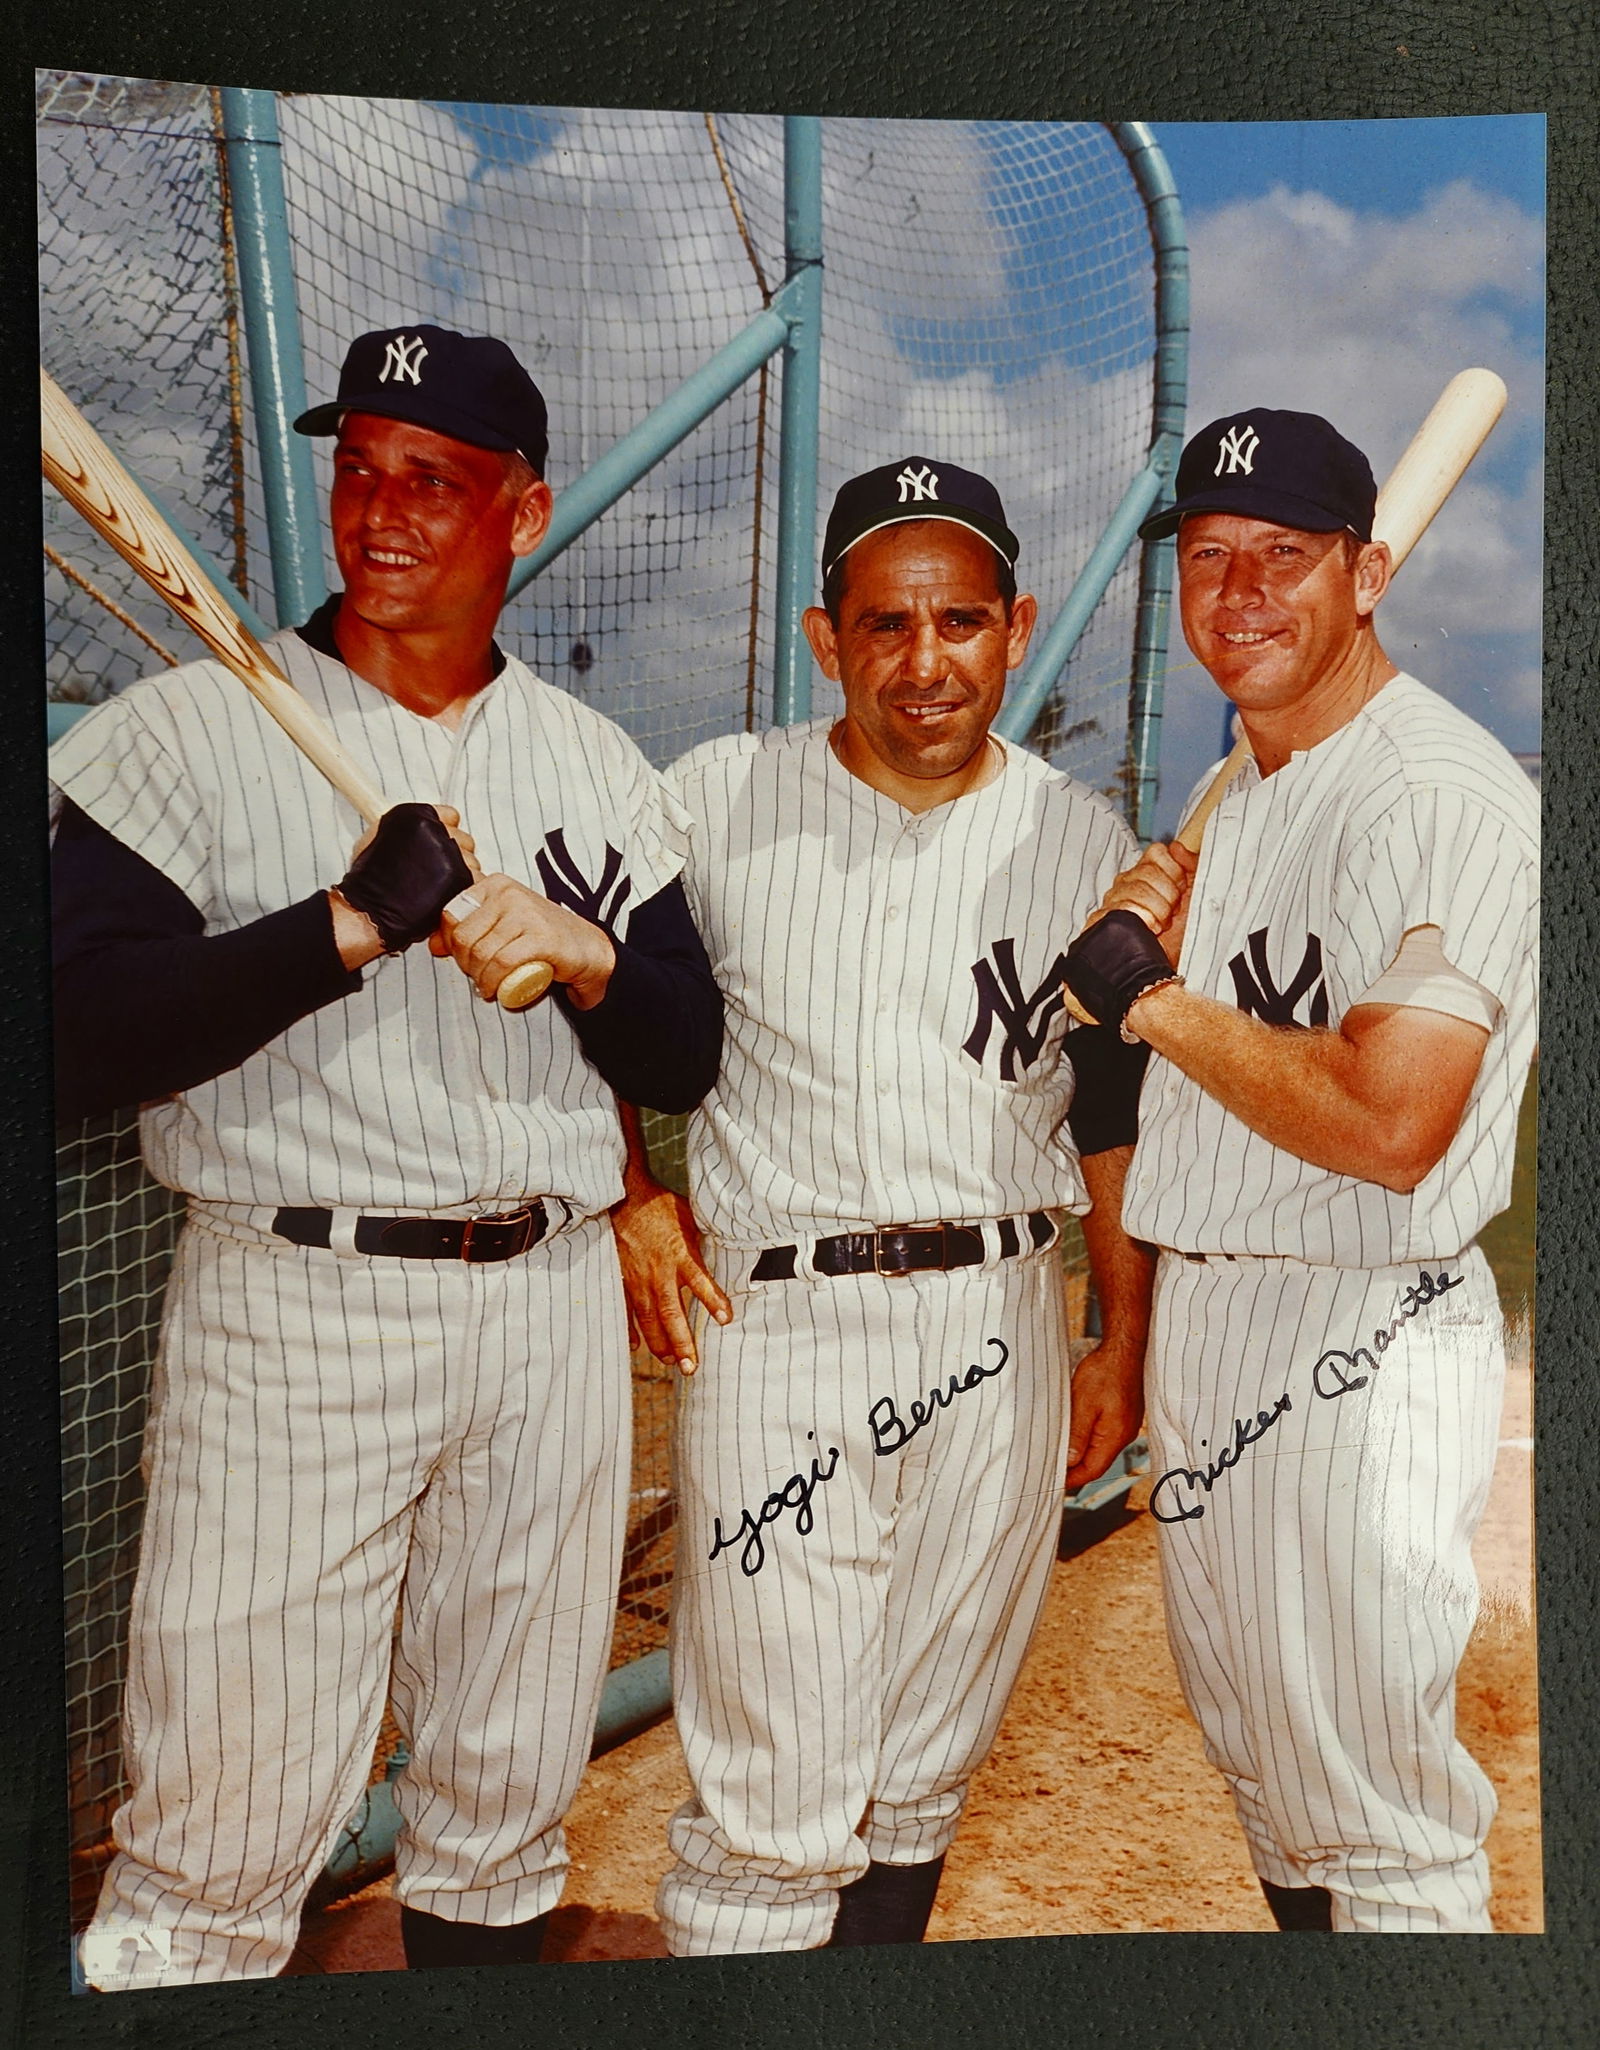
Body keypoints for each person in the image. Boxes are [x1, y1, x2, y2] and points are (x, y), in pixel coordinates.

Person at [51, 323, 722, 1986]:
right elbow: (76, 1036)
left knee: (504, 1800)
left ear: (524, 507)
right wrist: (342, 925)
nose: (383, 510)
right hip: (300, 1301)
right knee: (224, 1813)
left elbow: (682, 1044)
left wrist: (584, 954)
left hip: (549, 1302)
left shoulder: (596, 766)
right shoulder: (196, 724)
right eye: (357, 469)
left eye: (435, 477)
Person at [614, 458, 1155, 1955]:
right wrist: (627, 1190)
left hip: (998, 1319)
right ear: (824, 635)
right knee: (773, 1799)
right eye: (887, 625)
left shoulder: (1081, 836)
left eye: (962, 622)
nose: (927, 663)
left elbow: (1108, 1113)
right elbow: (585, 993)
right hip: (783, 1325)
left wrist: (1121, 1334)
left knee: (920, 1773)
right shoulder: (713, 801)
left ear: (1015, 626)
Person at [1061, 408, 1539, 1933]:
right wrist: (1128, 1338)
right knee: (1278, 1779)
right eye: (1210, 558)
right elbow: (1169, 1096)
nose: (1242, 590)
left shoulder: (1441, 793)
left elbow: (1393, 1120)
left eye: (1288, 555)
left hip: (1364, 1332)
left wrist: (1153, 996)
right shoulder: (1250, 791)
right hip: (1217, 1316)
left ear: (1370, 572)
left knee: (1383, 1815)